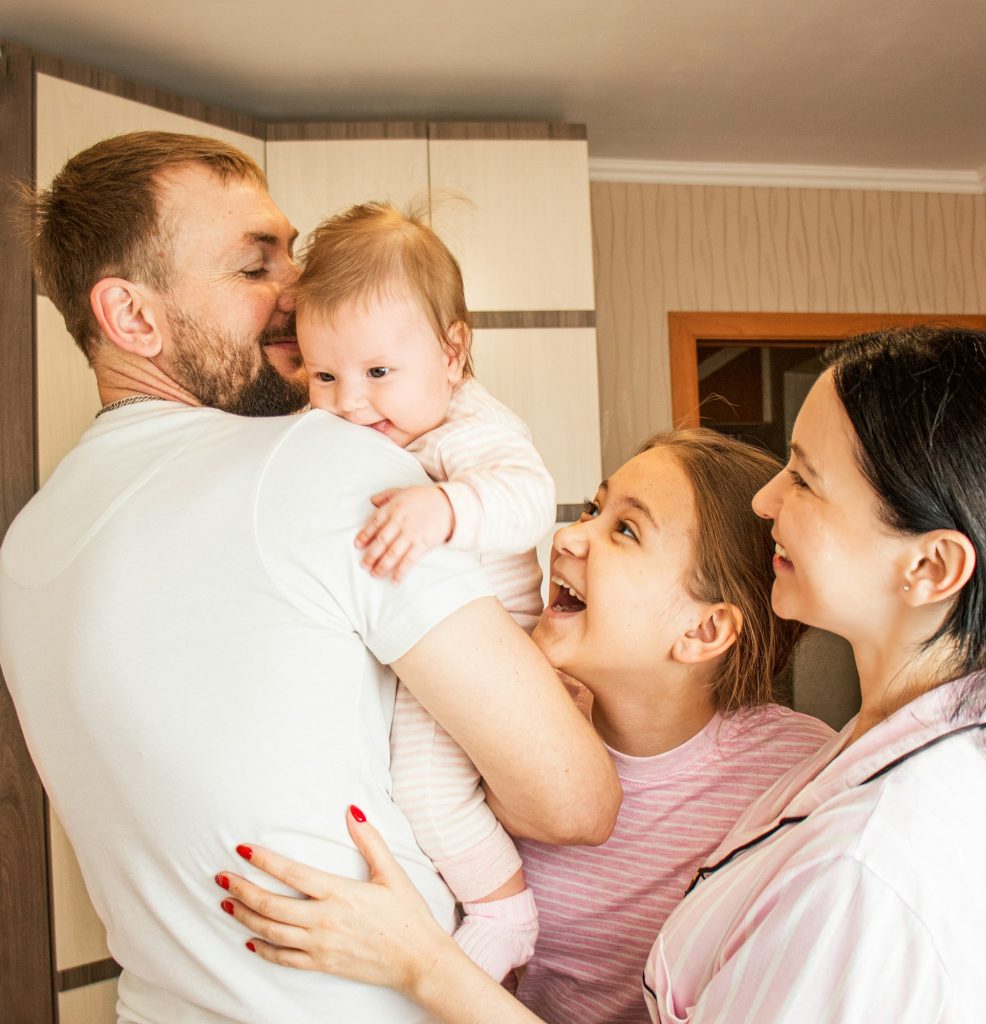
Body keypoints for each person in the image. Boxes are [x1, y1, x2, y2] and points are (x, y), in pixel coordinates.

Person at [214, 325, 986, 1023]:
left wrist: (422, 963)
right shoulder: (852, 764)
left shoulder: (871, 851)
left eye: (806, 478)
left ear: (931, 566)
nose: (768, 500)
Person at [0, 131, 620, 1024]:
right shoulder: (321, 463)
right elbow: (573, 799)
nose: (302, 293)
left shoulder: (25, 548)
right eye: (257, 268)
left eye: (292, 250)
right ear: (132, 317)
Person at [216, 428, 835, 1022]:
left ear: (703, 631)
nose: (569, 536)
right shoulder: (499, 713)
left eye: (624, 529)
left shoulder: (798, 778)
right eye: (594, 508)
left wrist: (417, 961)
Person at [294, 202, 556, 979]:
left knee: (426, 789)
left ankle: (505, 912)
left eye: (377, 372)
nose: (349, 400)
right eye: (323, 374)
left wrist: (447, 506)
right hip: (434, 637)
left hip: (493, 639)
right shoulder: (380, 422)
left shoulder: (471, 423)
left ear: (452, 353)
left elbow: (529, 497)